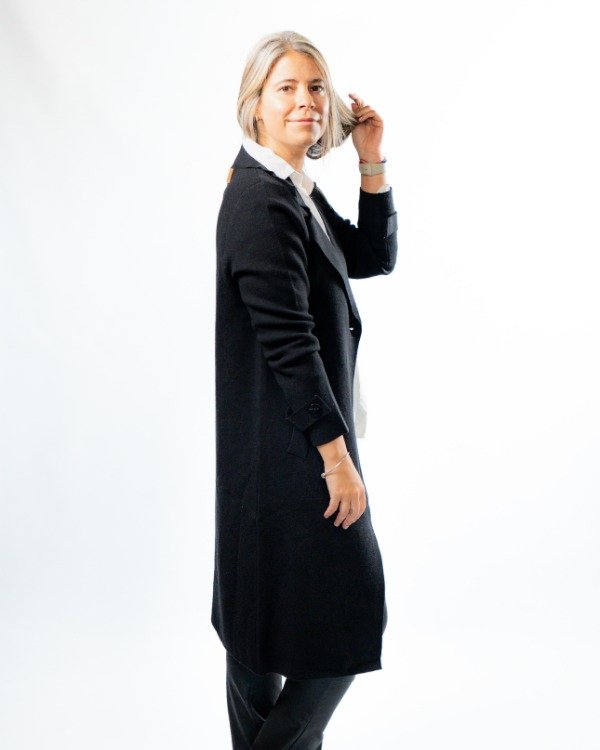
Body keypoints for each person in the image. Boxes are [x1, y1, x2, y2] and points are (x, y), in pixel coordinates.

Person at [212, 29, 398, 749]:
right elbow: (292, 346)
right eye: (285, 88)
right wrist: (337, 458)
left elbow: (371, 256)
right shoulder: (263, 202)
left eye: (316, 87)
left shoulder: (291, 190)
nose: (305, 101)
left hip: (276, 455)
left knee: (256, 641)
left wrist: (371, 158)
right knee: (342, 616)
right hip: (294, 458)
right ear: (254, 105)